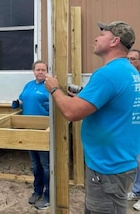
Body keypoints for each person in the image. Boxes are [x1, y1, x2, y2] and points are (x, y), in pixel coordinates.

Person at [44, 21, 140, 214]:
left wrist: (54, 89)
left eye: (102, 34)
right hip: (120, 160)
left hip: (107, 167)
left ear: (115, 41)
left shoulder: (108, 74)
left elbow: (71, 113)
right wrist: (83, 97)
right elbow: (112, 105)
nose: (96, 38)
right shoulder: (130, 72)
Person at [11, 60, 50, 210]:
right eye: (38, 69)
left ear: (47, 71)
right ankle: (37, 191)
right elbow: (22, 99)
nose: (40, 72)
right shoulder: (29, 85)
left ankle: (48, 194)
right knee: (35, 164)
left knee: (46, 165)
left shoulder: (49, 85)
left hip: (43, 130)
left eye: (43, 69)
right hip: (29, 129)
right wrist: (16, 103)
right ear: (33, 71)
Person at [126, 49, 140, 211]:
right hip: (132, 126)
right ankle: (136, 191)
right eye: (128, 59)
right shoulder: (128, 79)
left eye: (133, 59)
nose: (130, 62)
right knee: (137, 162)